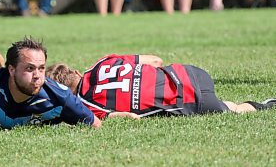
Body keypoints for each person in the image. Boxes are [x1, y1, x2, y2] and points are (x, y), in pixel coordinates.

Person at [47, 54, 276, 120]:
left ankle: (264, 106)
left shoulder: (88, 106)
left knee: (233, 110)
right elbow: (155, 60)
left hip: (188, 100)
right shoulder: (103, 63)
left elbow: (130, 118)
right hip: (189, 71)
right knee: (218, 103)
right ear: (76, 72)